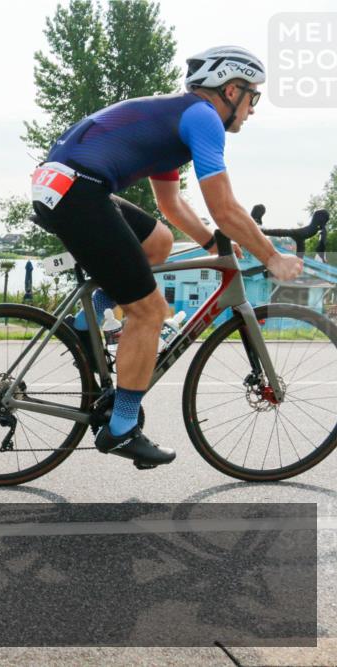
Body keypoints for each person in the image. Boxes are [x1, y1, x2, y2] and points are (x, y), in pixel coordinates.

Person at [30, 45, 304, 468]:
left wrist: (213, 244)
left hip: (65, 184)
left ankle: (88, 322)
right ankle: (121, 429)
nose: (253, 109)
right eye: (254, 97)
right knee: (150, 311)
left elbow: (172, 207)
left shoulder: (174, 120)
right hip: (79, 191)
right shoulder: (203, 118)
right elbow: (225, 209)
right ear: (232, 90)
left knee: (157, 240)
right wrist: (271, 256)